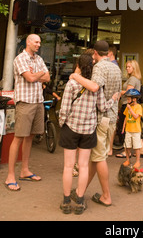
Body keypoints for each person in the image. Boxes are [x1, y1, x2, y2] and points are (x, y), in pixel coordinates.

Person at [59, 53, 119, 214]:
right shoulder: (95, 86)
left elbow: (64, 109)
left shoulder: (72, 83)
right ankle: (79, 201)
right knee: (84, 166)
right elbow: (102, 107)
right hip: (88, 130)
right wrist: (113, 99)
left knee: (68, 166)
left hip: (71, 128)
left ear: (78, 65)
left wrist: (62, 123)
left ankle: (66, 202)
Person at [70, 40, 122, 207]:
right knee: (94, 158)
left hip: (102, 118)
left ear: (95, 53)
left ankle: (106, 196)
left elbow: (94, 87)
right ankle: (80, 191)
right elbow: (118, 94)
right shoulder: (116, 67)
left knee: (99, 158)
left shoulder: (100, 66)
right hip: (112, 116)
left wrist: (76, 76)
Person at [5, 34, 50, 191]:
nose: (39, 44)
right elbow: (30, 78)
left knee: (30, 137)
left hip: (38, 101)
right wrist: (38, 75)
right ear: (28, 42)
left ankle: (25, 170)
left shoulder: (38, 59)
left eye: (39, 42)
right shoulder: (20, 58)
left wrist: (35, 75)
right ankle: (10, 176)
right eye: (36, 42)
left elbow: (48, 77)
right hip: (25, 102)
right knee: (18, 138)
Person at [115, 60, 143, 158]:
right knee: (136, 129)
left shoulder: (132, 79)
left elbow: (129, 93)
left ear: (134, 68)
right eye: (127, 67)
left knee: (124, 128)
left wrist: (119, 92)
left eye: (129, 67)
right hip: (133, 105)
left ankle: (127, 152)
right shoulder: (136, 79)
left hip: (128, 105)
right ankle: (142, 150)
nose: (127, 68)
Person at [122, 88, 143, 169]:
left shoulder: (138, 107)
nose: (127, 101)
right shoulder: (127, 107)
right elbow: (126, 117)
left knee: (137, 147)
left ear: (134, 99)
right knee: (127, 146)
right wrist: (123, 127)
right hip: (128, 130)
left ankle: (138, 161)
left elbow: (135, 116)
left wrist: (130, 109)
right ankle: (127, 160)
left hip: (136, 130)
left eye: (128, 99)